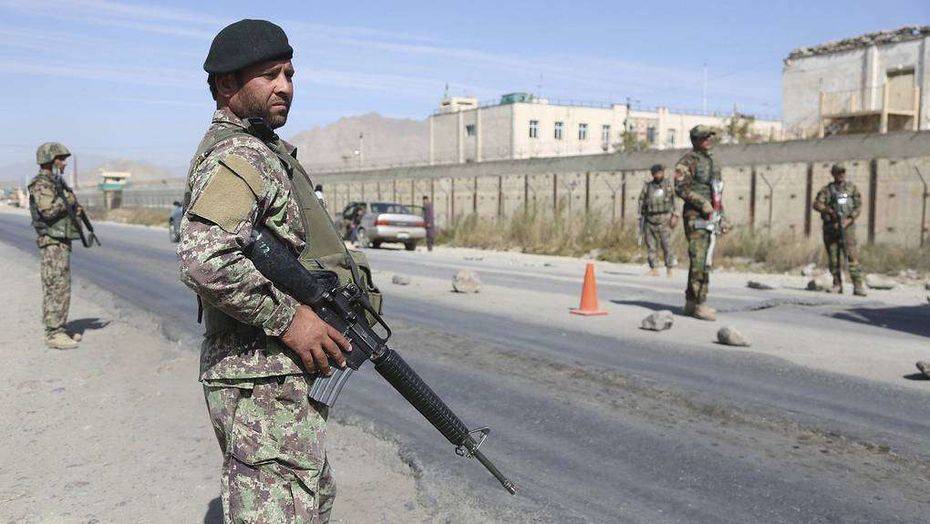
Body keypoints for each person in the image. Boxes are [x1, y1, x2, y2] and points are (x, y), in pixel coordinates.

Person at [178, 19, 380, 522]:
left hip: (271, 377)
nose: (285, 86)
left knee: (310, 498)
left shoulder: (263, 150)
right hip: (257, 374)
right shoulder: (241, 156)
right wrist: (290, 319)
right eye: (269, 75)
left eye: (289, 74)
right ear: (227, 84)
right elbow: (205, 257)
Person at [28, 142, 82, 350]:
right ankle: (54, 333)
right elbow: (48, 211)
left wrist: (73, 208)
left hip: (60, 241)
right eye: (61, 159)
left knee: (62, 285)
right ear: (51, 160)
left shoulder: (55, 182)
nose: (65, 163)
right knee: (55, 285)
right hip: (51, 243)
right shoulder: (41, 183)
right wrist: (67, 200)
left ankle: (59, 327)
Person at [675, 125, 729, 321]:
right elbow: (680, 188)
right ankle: (700, 303)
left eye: (710, 137)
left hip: (711, 216)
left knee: (705, 259)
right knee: (700, 260)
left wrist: (721, 215)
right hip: (695, 216)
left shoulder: (712, 162)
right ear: (696, 140)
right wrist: (702, 203)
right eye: (704, 137)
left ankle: (691, 302)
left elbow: (717, 192)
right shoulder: (687, 161)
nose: (708, 140)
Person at [812, 164, 867, 296]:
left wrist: (848, 220)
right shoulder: (827, 190)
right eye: (838, 172)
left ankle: (858, 286)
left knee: (852, 257)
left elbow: (858, 206)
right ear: (833, 174)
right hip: (831, 227)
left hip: (847, 228)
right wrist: (829, 211)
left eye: (843, 172)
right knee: (833, 258)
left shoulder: (851, 188)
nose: (841, 174)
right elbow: (817, 204)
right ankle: (837, 284)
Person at [638, 164, 678, 277]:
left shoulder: (668, 185)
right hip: (650, 219)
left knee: (667, 245)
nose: (658, 175)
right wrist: (641, 216)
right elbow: (641, 201)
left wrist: (675, 216)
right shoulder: (647, 187)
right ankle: (654, 268)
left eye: (660, 173)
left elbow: (675, 201)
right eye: (656, 173)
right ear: (652, 174)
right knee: (651, 246)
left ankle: (669, 269)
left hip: (665, 219)